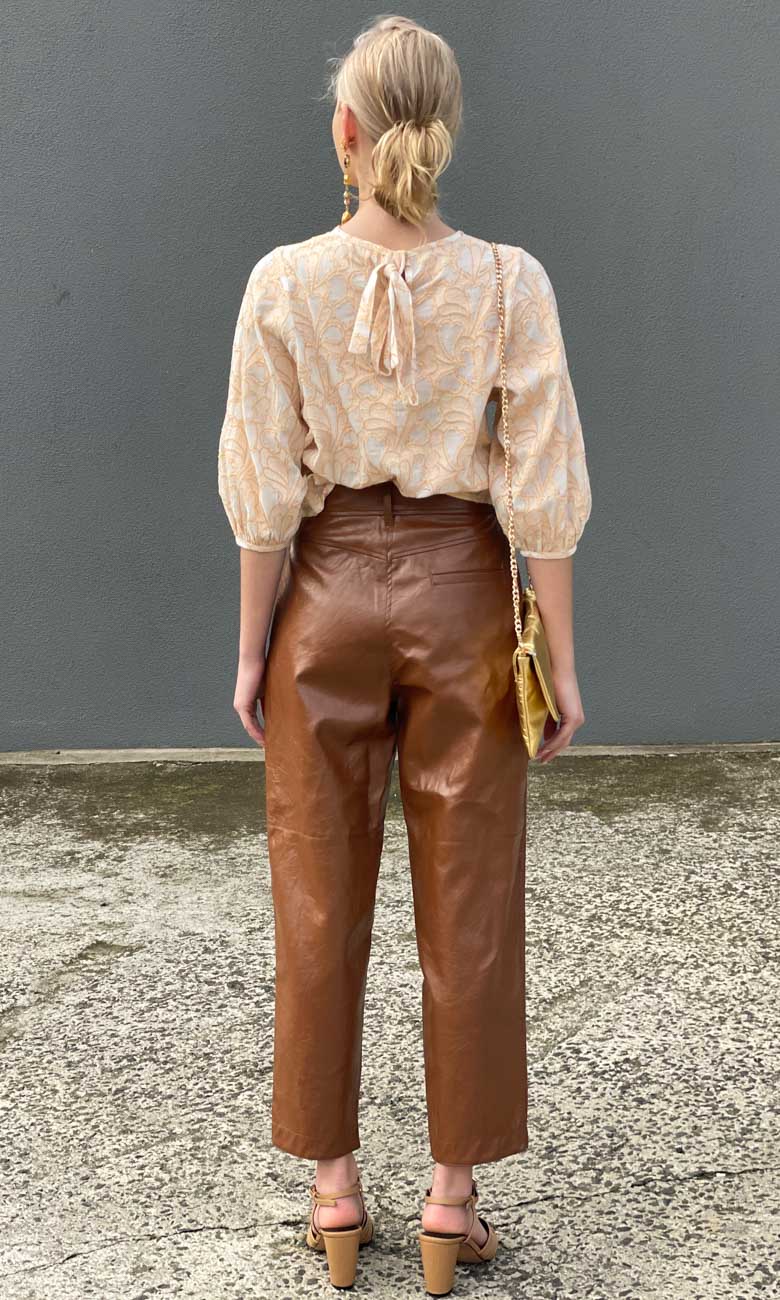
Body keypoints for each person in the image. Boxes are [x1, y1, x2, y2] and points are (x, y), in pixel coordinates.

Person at [217, 14, 592, 1294]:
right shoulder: (510, 282)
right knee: (469, 896)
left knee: (316, 894)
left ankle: (334, 1194)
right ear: (447, 132)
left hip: (325, 593)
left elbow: (265, 492)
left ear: (346, 132)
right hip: (464, 594)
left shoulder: (283, 281)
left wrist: (254, 647)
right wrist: (564, 661)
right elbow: (542, 489)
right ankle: (449, 1201)